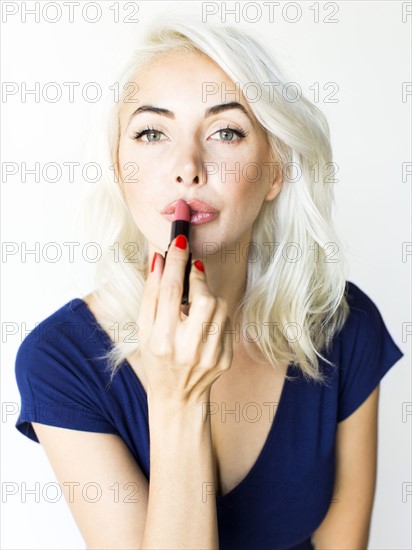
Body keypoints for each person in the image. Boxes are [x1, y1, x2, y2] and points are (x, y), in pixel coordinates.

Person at [14, 14, 404, 550]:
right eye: (152, 132)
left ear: (276, 171)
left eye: (226, 132)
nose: (187, 167)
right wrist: (177, 400)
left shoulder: (344, 324)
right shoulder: (59, 360)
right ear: (118, 165)